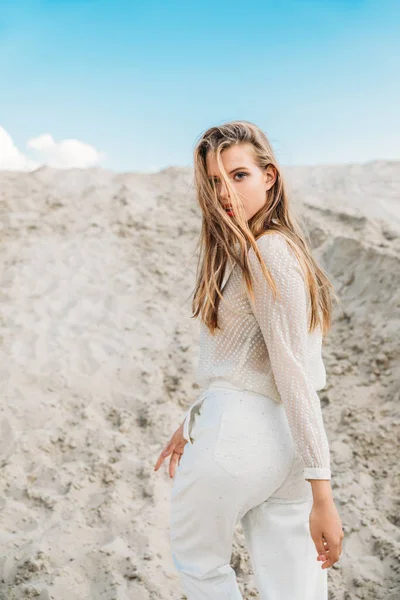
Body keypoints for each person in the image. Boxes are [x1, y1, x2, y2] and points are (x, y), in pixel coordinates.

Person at [154, 120, 344, 599]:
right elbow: (255, 360)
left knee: (200, 566)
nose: (225, 193)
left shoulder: (266, 252)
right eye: (215, 181)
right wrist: (192, 420)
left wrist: (323, 490)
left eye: (238, 175)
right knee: (295, 587)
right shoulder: (279, 249)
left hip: (241, 435)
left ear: (269, 176)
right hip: (283, 443)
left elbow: (291, 373)